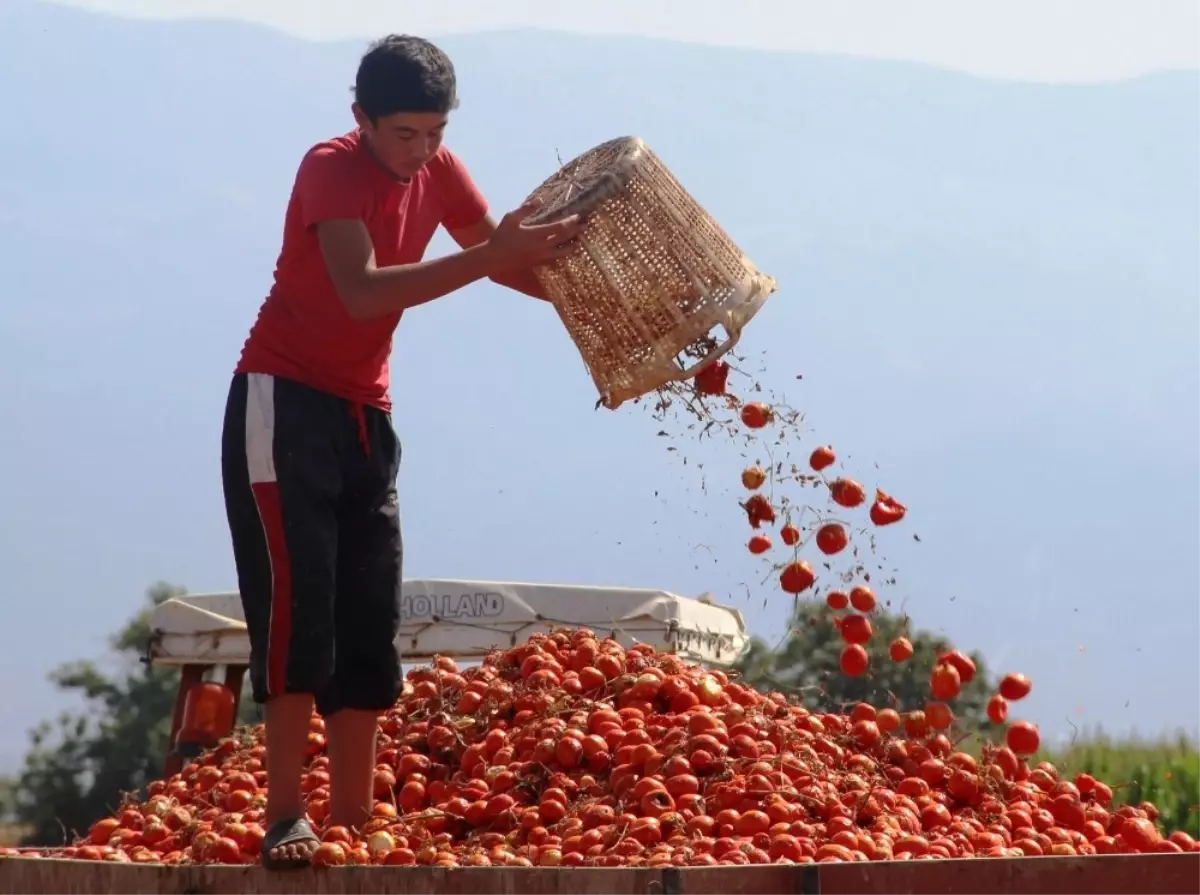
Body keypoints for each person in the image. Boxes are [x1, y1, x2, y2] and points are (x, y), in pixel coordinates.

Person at [220, 34, 582, 869]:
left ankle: (351, 817)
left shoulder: (439, 172)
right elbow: (363, 290)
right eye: (405, 135)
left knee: (365, 616)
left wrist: (593, 296)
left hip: (364, 415)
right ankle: (285, 814)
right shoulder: (328, 167)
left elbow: (503, 260)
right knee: (295, 611)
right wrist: (489, 255)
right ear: (363, 119)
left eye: (436, 135)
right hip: (283, 402)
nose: (422, 152)